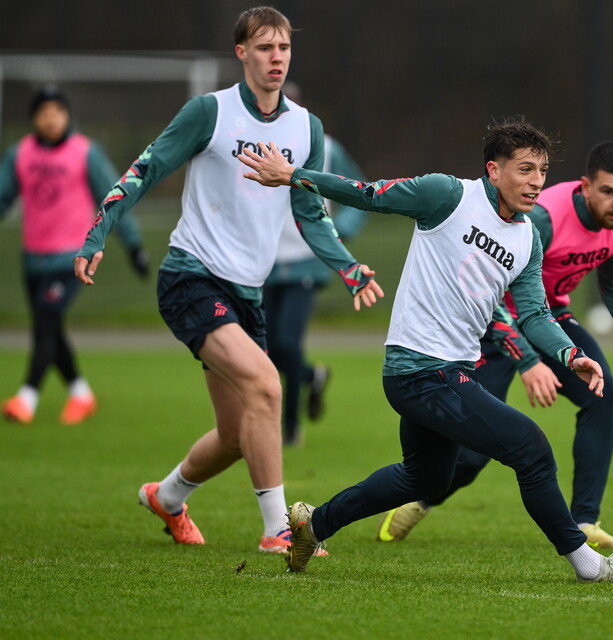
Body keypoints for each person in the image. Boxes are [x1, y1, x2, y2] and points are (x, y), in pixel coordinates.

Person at [239, 117, 613, 583]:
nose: (535, 182)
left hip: (452, 370)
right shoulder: (447, 195)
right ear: (493, 170)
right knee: (531, 448)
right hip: (417, 369)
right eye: (524, 169)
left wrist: (567, 355)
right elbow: (367, 192)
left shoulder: (527, 239)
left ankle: (311, 524)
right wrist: (293, 175)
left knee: (423, 479)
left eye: (541, 171)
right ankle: (590, 566)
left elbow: (536, 315)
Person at [73, 6, 383, 554]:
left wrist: (349, 268)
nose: (277, 58)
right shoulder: (207, 113)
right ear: (242, 54)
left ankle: (165, 498)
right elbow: (143, 171)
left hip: (248, 293)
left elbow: (309, 213)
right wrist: (100, 231)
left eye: (284, 48)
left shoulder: (305, 127)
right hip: (191, 277)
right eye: (265, 48)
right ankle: (279, 531)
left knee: (241, 433)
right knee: (268, 385)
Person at [375, 142, 613, 550]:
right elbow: (491, 292)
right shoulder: (543, 219)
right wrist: (530, 361)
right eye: (609, 192)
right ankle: (424, 496)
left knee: (603, 395)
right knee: (472, 457)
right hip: (494, 327)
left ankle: (585, 520)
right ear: (586, 186)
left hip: (550, 320)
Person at [0, 85, 148, 426]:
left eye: (57, 112)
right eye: (44, 113)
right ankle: (81, 394)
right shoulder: (20, 154)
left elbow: (115, 197)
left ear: (67, 115)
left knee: (48, 316)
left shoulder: (85, 153)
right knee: (47, 326)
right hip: (33, 259)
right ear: (34, 118)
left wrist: (134, 245)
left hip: (72, 258)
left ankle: (27, 396)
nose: (51, 119)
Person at [264, 133, 368, 446]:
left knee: (288, 342)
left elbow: (358, 192)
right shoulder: (251, 141)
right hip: (264, 263)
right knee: (266, 349)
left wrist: (339, 233)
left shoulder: (326, 145)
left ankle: (291, 427)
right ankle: (311, 376)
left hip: (307, 261)